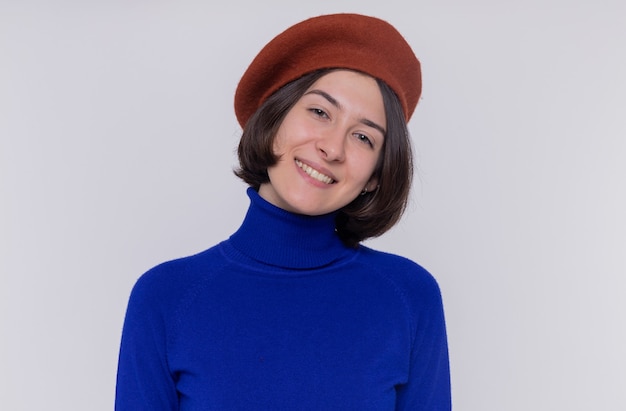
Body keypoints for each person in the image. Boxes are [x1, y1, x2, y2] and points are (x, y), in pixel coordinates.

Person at [115, 13, 451, 410]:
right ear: (272, 119)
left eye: (363, 137)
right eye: (320, 112)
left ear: (376, 175)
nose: (333, 147)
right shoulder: (165, 299)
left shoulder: (409, 298)